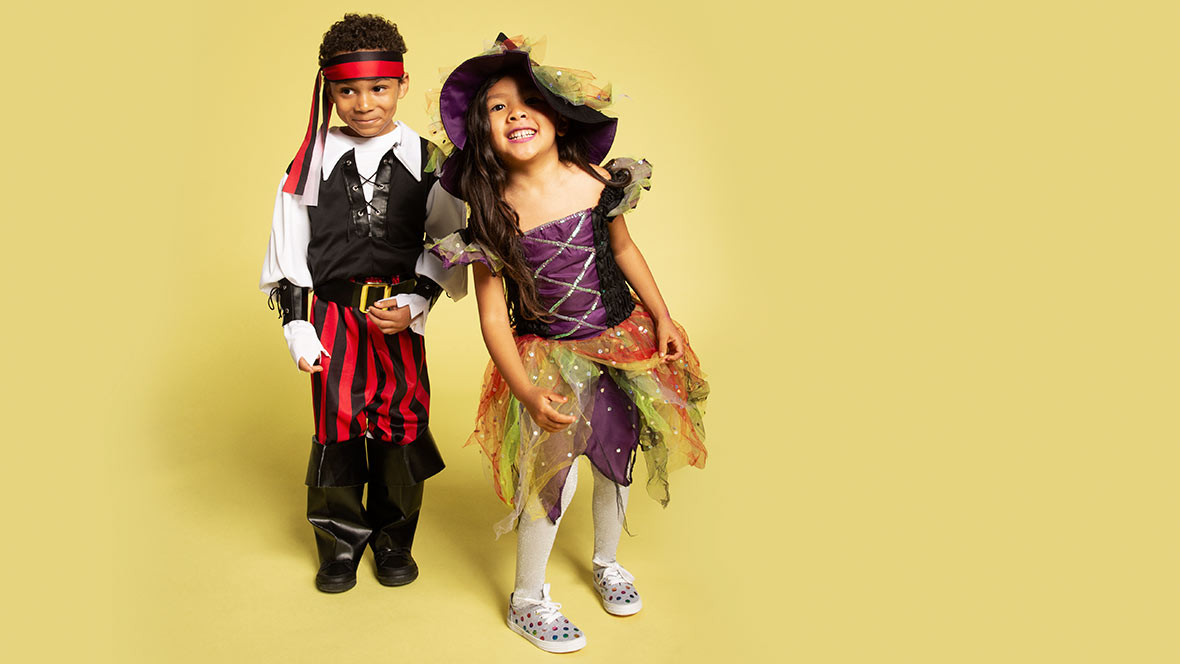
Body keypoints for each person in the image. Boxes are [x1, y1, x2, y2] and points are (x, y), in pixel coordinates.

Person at [428, 34, 708, 652]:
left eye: (529, 100)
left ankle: (606, 562)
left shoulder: (592, 180)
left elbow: (625, 250)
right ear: (480, 133)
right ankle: (527, 597)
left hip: (619, 344)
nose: (517, 113)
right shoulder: (490, 210)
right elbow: (495, 320)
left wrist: (661, 316)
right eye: (498, 108)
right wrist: (524, 388)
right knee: (553, 477)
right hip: (546, 357)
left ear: (557, 114)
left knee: (617, 460)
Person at [259, 13, 467, 594]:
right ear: (330, 90)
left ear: (401, 84)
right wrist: (298, 328)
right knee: (338, 430)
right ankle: (340, 546)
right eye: (347, 90)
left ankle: (395, 540)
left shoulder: (429, 164)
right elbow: (289, 253)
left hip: (399, 322)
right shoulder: (306, 163)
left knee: (402, 428)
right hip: (332, 319)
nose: (363, 103)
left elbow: (448, 246)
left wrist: (416, 303)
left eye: (378, 87)